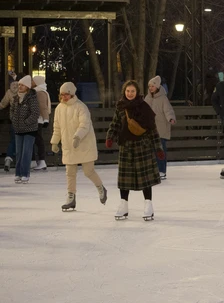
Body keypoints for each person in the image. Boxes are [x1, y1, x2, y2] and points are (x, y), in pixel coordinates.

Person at [105, 80, 163, 221]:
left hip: (142, 147)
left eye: (132, 91)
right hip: (126, 146)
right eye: (127, 91)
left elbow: (152, 129)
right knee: (125, 179)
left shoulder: (144, 107)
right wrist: (110, 137)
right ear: (124, 92)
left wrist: (158, 148)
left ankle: (148, 204)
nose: (129, 93)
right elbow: (115, 124)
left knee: (145, 179)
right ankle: (123, 205)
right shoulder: (120, 107)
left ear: (137, 92)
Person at [50, 82, 107, 211]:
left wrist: (77, 137)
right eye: (62, 94)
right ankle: (71, 197)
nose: (64, 97)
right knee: (70, 172)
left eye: (67, 94)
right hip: (68, 145)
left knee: (88, 171)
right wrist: (54, 141)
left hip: (84, 143)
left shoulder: (81, 107)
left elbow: (84, 125)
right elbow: (57, 127)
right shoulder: (59, 108)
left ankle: (101, 188)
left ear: (72, 94)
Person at [144, 75, 176, 180]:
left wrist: (171, 118)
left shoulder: (163, 98)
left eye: (152, 86)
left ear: (157, 87)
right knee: (150, 151)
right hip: (150, 129)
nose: (150, 88)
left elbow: (168, 110)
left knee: (160, 150)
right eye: (149, 86)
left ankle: (161, 170)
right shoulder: (147, 98)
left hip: (161, 129)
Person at [10, 75, 40, 183]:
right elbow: (12, 111)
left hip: (29, 129)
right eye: (19, 85)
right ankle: (18, 173)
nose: (20, 87)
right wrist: (13, 119)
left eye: (22, 85)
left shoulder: (31, 98)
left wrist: (26, 122)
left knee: (26, 153)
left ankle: (25, 174)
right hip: (18, 129)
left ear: (27, 86)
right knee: (18, 153)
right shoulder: (16, 98)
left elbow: (35, 113)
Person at [31, 75, 51, 170]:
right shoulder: (39, 91)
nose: (31, 82)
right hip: (38, 119)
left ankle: (40, 161)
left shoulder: (39, 93)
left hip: (38, 120)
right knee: (36, 140)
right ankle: (35, 161)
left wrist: (46, 119)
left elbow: (43, 107)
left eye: (33, 81)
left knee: (37, 140)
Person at [1, 80, 20, 171]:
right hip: (24, 121)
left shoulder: (9, 92)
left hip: (14, 120)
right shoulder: (24, 91)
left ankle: (8, 159)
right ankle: (21, 163)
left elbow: (3, 104)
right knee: (24, 141)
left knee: (13, 140)